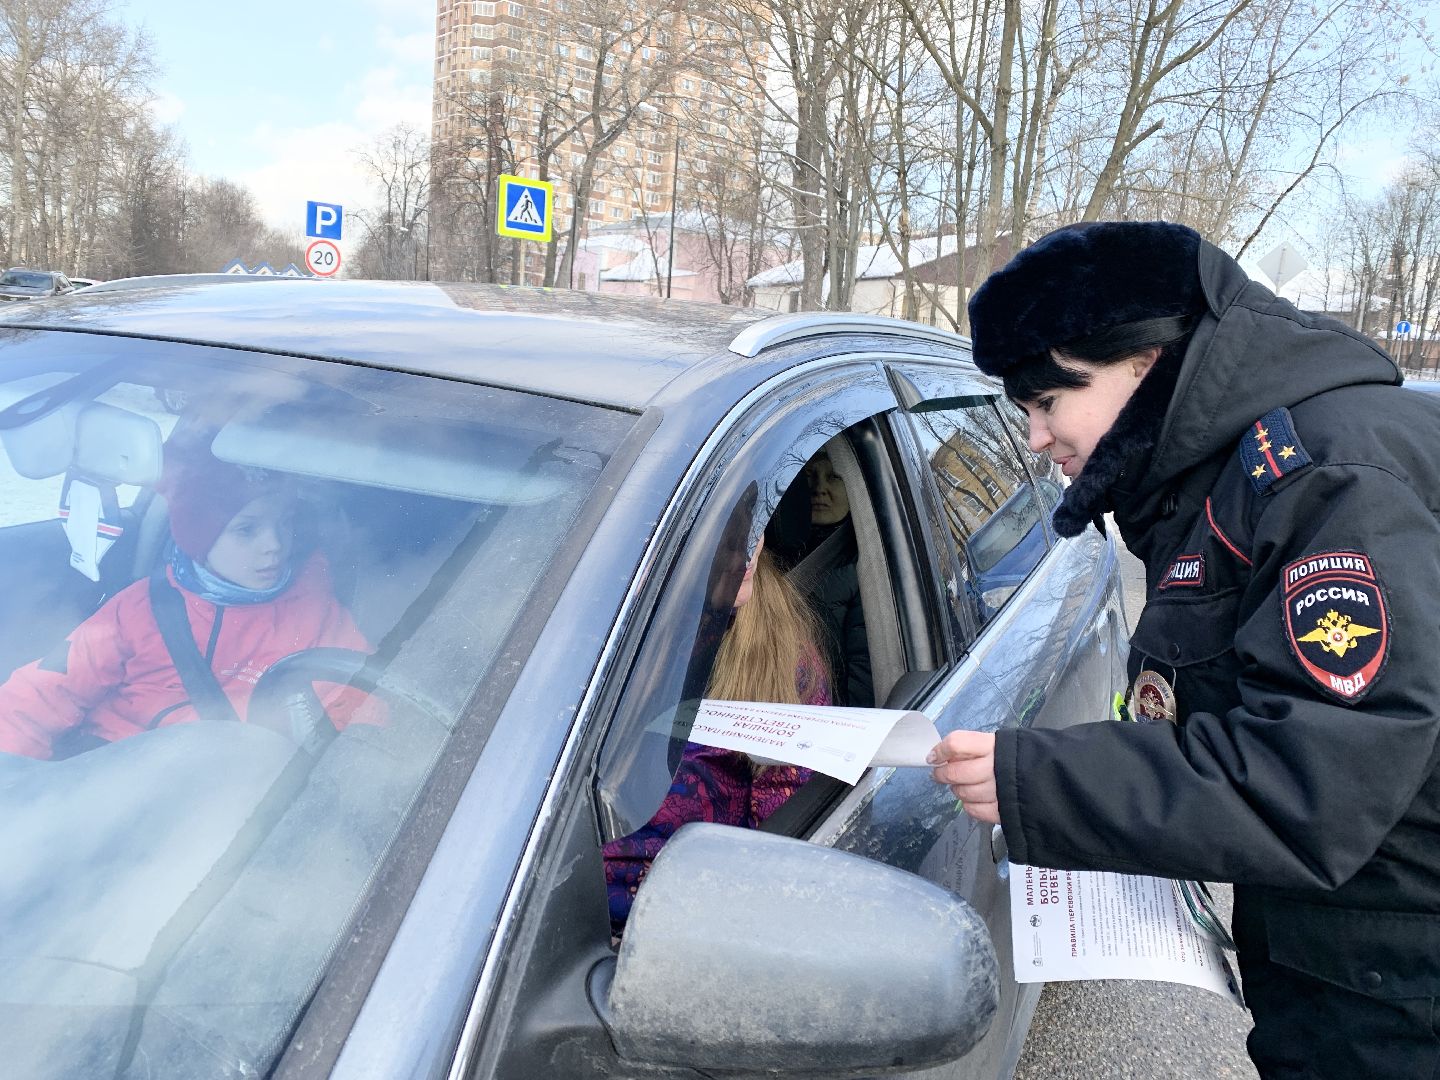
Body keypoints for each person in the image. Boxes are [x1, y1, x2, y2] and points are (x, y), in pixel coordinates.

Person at [926, 220, 1440, 1078]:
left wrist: (1036, 779)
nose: (1036, 438)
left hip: (1401, 979)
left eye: (1048, 401)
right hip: (1355, 950)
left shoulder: (1329, 478)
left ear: (1145, 359)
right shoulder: (1235, 473)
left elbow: (1314, 785)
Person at [0, 439, 373, 759]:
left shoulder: (314, 609)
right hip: (114, 773)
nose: (274, 544)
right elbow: (41, 692)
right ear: (199, 539)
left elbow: (363, 706)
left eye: (284, 523)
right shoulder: (142, 608)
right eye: (247, 530)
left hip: (234, 793)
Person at [603, 534, 830, 932]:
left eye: (754, 521)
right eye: (725, 530)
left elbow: (793, 842)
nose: (746, 546)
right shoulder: (592, 633)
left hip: (687, 928)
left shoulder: (781, 654)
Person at [792, 448, 873, 707]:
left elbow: (861, 694)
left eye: (834, 476)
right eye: (809, 474)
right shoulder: (769, 554)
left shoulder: (869, 569)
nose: (819, 488)